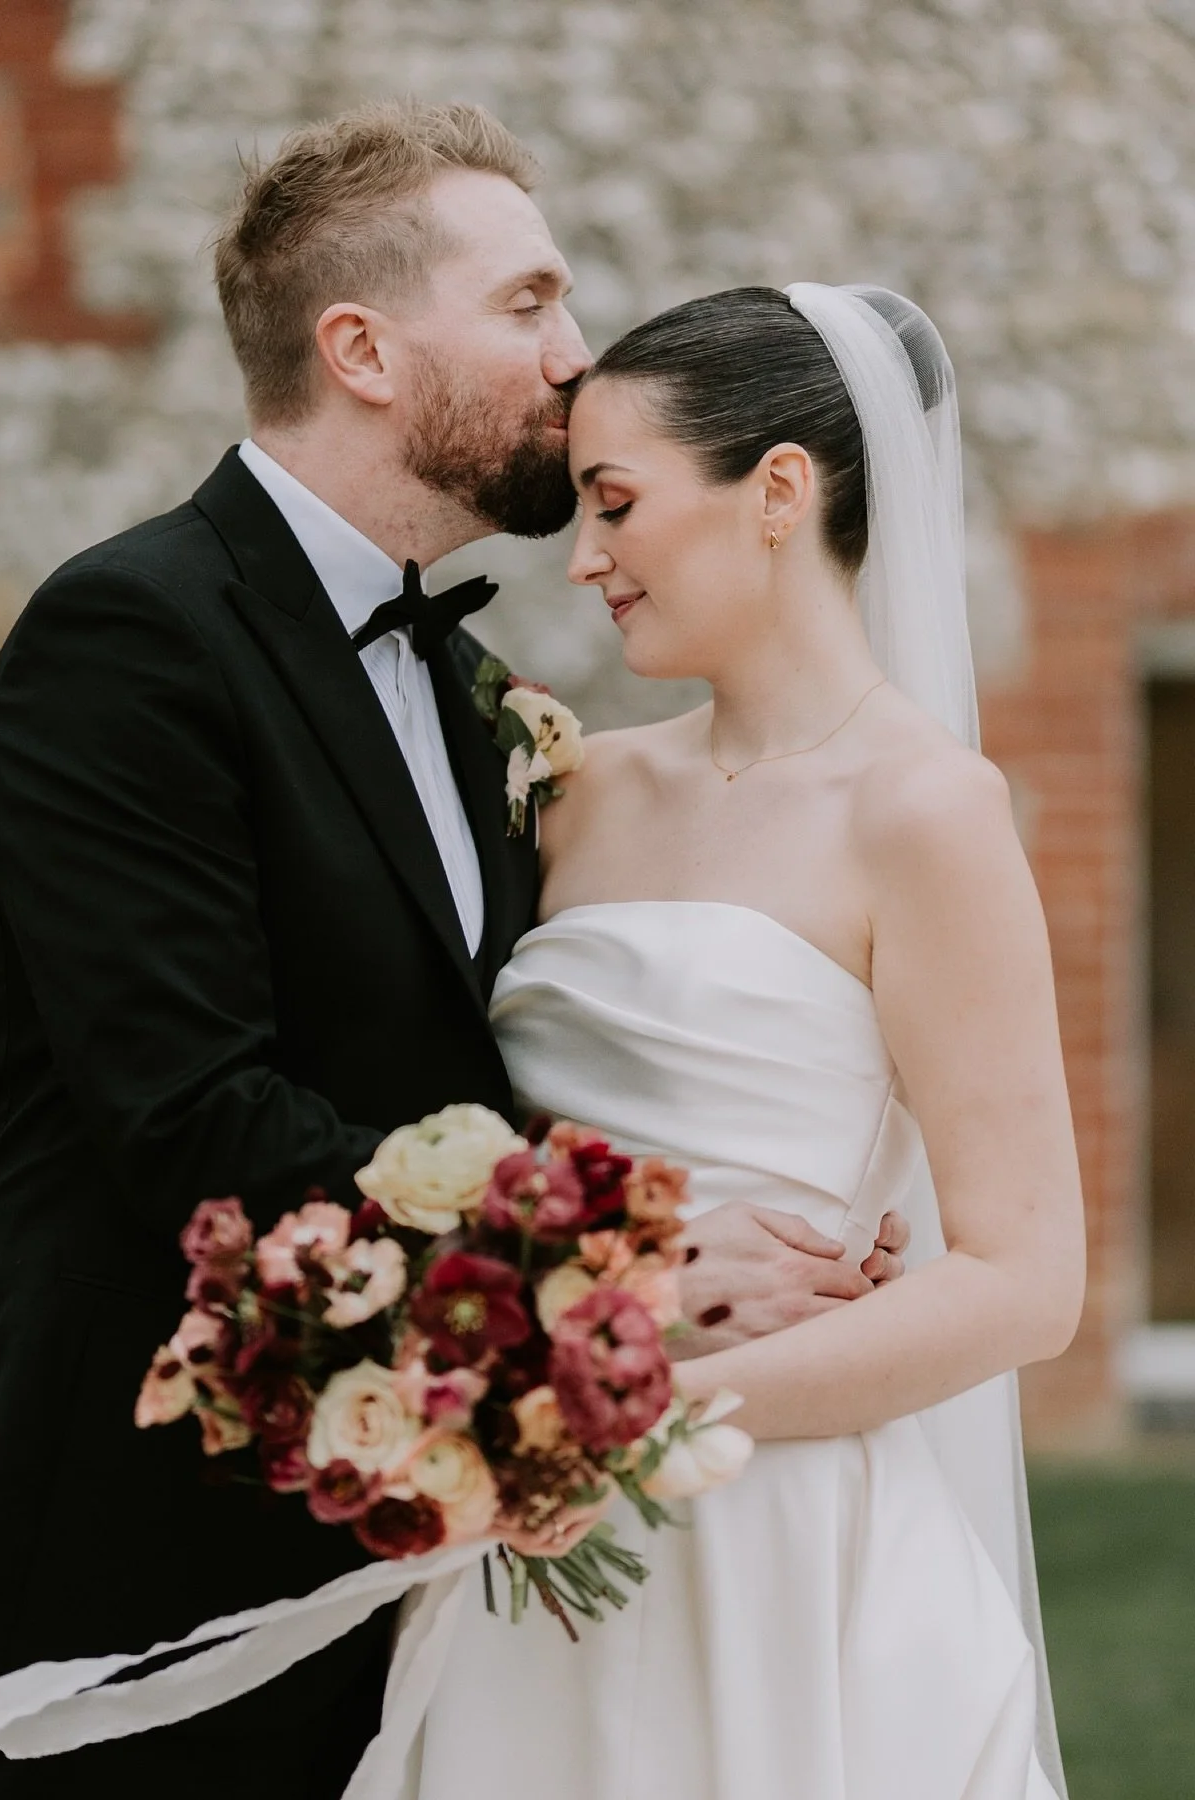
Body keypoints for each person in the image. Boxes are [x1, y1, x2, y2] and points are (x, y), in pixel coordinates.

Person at [0, 102, 907, 1798]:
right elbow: (198, 1119)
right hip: (128, 1566)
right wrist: (628, 1267)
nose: (577, 363)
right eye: (528, 305)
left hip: (412, 1550)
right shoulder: (129, 635)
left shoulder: (472, 690)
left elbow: (445, 1063)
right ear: (359, 347)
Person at [404, 286, 1084, 1798]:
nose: (581, 561)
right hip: (531, 1525)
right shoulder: (569, 787)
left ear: (778, 491)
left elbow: (1025, 1280)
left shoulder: (925, 814)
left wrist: (632, 1403)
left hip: (776, 1531)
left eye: (617, 504)